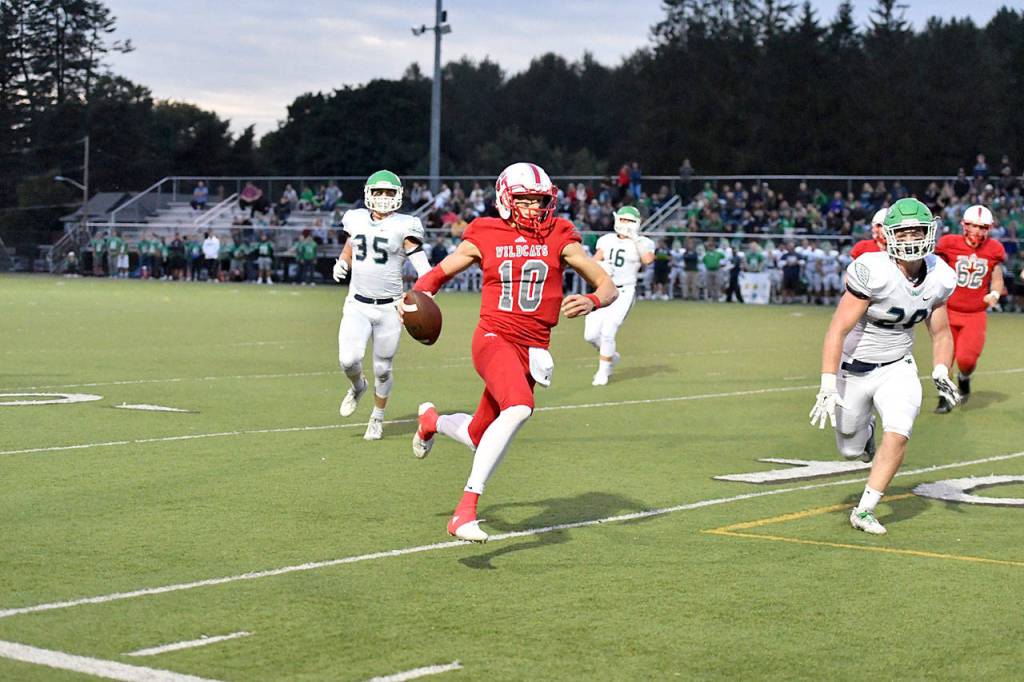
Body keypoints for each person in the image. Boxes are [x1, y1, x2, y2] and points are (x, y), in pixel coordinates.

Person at [409, 162, 618, 543]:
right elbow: (438, 274)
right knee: (519, 407)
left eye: (540, 201)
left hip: (533, 349)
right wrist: (414, 298)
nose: (535, 208)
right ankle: (465, 510)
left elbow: (608, 285)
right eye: (525, 200)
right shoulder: (485, 233)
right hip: (493, 337)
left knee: (478, 435)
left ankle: (431, 421)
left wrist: (592, 300)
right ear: (506, 199)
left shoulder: (560, 235)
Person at [809, 198, 961, 536]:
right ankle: (864, 439)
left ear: (930, 232)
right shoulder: (873, 270)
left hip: (897, 366)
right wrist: (828, 384)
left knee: (900, 431)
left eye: (916, 232)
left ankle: (864, 510)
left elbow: (941, 332)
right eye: (902, 232)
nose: (909, 239)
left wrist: (940, 370)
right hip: (854, 368)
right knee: (849, 449)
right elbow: (838, 329)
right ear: (890, 235)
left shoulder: (940, 276)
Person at [330, 170, 431, 440]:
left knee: (383, 368)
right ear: (368, 194)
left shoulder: (405, 224)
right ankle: (357, 386)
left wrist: (427, 287)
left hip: (390, 308)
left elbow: (421, 263)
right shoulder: (356, 218)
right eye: (379, 192)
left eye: (389, 193)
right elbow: (352, 244)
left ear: (398, 195)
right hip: (357, 304)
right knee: (348, 360)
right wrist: (343, 262)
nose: (384, 198)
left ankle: (377, 417)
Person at [933, 204, 1006, 412]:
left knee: (966, 359)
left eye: (982, 227)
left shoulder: (994, 249)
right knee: (944, 356)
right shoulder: (948, 244)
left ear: (989, 228)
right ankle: (944, 397)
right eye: (973, 226)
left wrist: (994, 293)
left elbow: (997, 278)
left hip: (974, 313)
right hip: (947, 310)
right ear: (964, 225)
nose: (976, 231)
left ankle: (964, 378)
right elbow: (934, 268)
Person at [584, 206, 655, 386]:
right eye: (623, 220)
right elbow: (593, 262)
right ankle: (611, 356)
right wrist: (601, 267)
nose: (626, 224)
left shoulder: (643, 242)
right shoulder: (606, 240)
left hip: (624, 291)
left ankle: (603, 372)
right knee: (591, 335)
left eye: (630, 221)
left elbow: (647, 260)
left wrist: (635, 239)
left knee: (608, 332)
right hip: (603, 289)